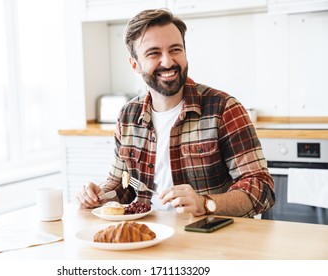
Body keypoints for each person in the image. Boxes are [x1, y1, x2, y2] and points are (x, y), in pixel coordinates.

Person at [76, 8, 275, 217]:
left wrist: (205, 204)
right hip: (149, 235)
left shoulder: (223, 108)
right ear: (134, 64)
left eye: (175, 50)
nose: (168, 62)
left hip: (210, 239)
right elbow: (122, 185)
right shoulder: (128, 116)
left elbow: (262, 189)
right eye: (154, 53)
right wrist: (100, 195)